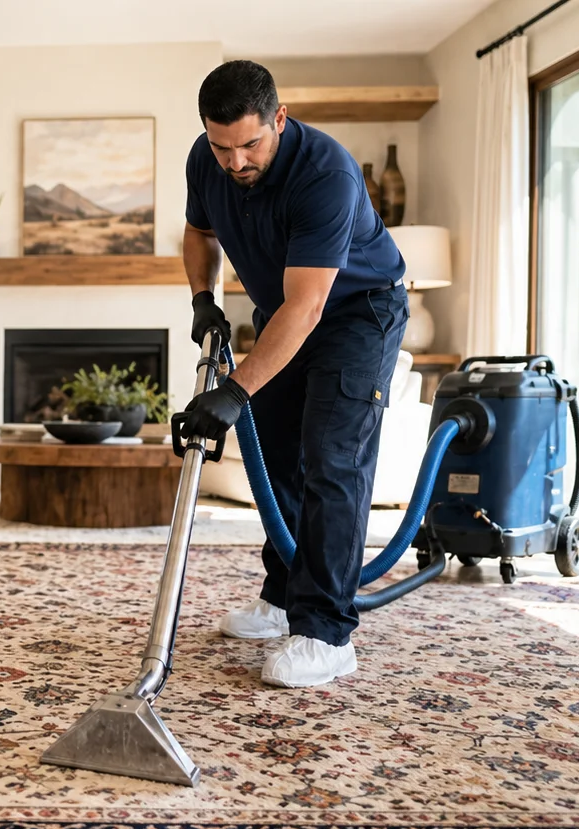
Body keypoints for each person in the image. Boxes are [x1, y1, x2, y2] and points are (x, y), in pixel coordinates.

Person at [177, 60, 408, 688]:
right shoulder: (208, 158)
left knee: (332, 458)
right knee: (279, 456)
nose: (234, 161)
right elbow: (198, 233)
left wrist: (233, 391)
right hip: (285, 313)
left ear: (280, 118)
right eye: (222, 146)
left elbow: (309, 306)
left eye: (249, 143)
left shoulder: (325, 174)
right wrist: (204, 299)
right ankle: (282, 599)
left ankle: (328, 634)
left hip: (358, 313)